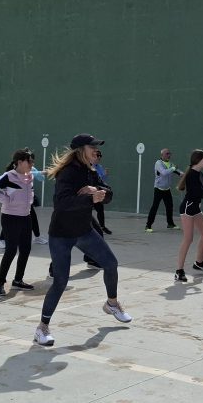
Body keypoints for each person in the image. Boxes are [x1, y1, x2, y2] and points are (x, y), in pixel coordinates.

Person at [36, 133, 131, 347]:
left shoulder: (90, 171)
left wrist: (97, 191)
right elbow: (62, 203)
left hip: (83, 230)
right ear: (81, 150)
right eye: (92, 146)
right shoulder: (67, 172)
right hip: (61, 234)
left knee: (111, 263)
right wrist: (88, 198)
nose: (96, 150)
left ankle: (112, 303)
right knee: (60, 282)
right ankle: (42, 328)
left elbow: (109, 193)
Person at [0, 148, 37, 297]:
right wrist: (7, 200)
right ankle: (0, 283)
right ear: (19, 162)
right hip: (10, 217)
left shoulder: (29, 176)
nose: (32, 164)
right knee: (11, 250)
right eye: (29, 161)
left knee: (26, 249)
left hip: (26, 216)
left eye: (32, 161)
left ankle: (18, 280)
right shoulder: (9, 176)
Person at [174, 149, 203, 282]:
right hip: (187, 209)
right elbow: (201, 193)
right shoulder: (192, 175)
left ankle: (198, 262)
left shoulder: (199, 173)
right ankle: (179, 271)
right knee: (188, 239)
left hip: (195, 208)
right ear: (197, 160)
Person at [146, 148, 182, 231]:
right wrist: (173, 168)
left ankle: (170, 224)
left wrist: (184, 174)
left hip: (167, 189)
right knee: (155, 207)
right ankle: (148, 226)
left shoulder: (171, 164)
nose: (169, 155)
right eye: (167, 154)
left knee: (169, 206)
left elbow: (178, 171)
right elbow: (164, 172)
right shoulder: (158, 163)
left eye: (169, 153)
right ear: (162, 155)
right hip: (158, 189)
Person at [92, 149, 112, 234]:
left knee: (100, 209)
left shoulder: (99, 167)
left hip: (97, 192)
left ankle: (102, 227)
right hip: (89, 192)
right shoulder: (88, 166)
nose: (99, 158)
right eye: (97, 156)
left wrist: (105, 176)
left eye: (100, 156)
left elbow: (101, 180)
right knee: (85, 211)